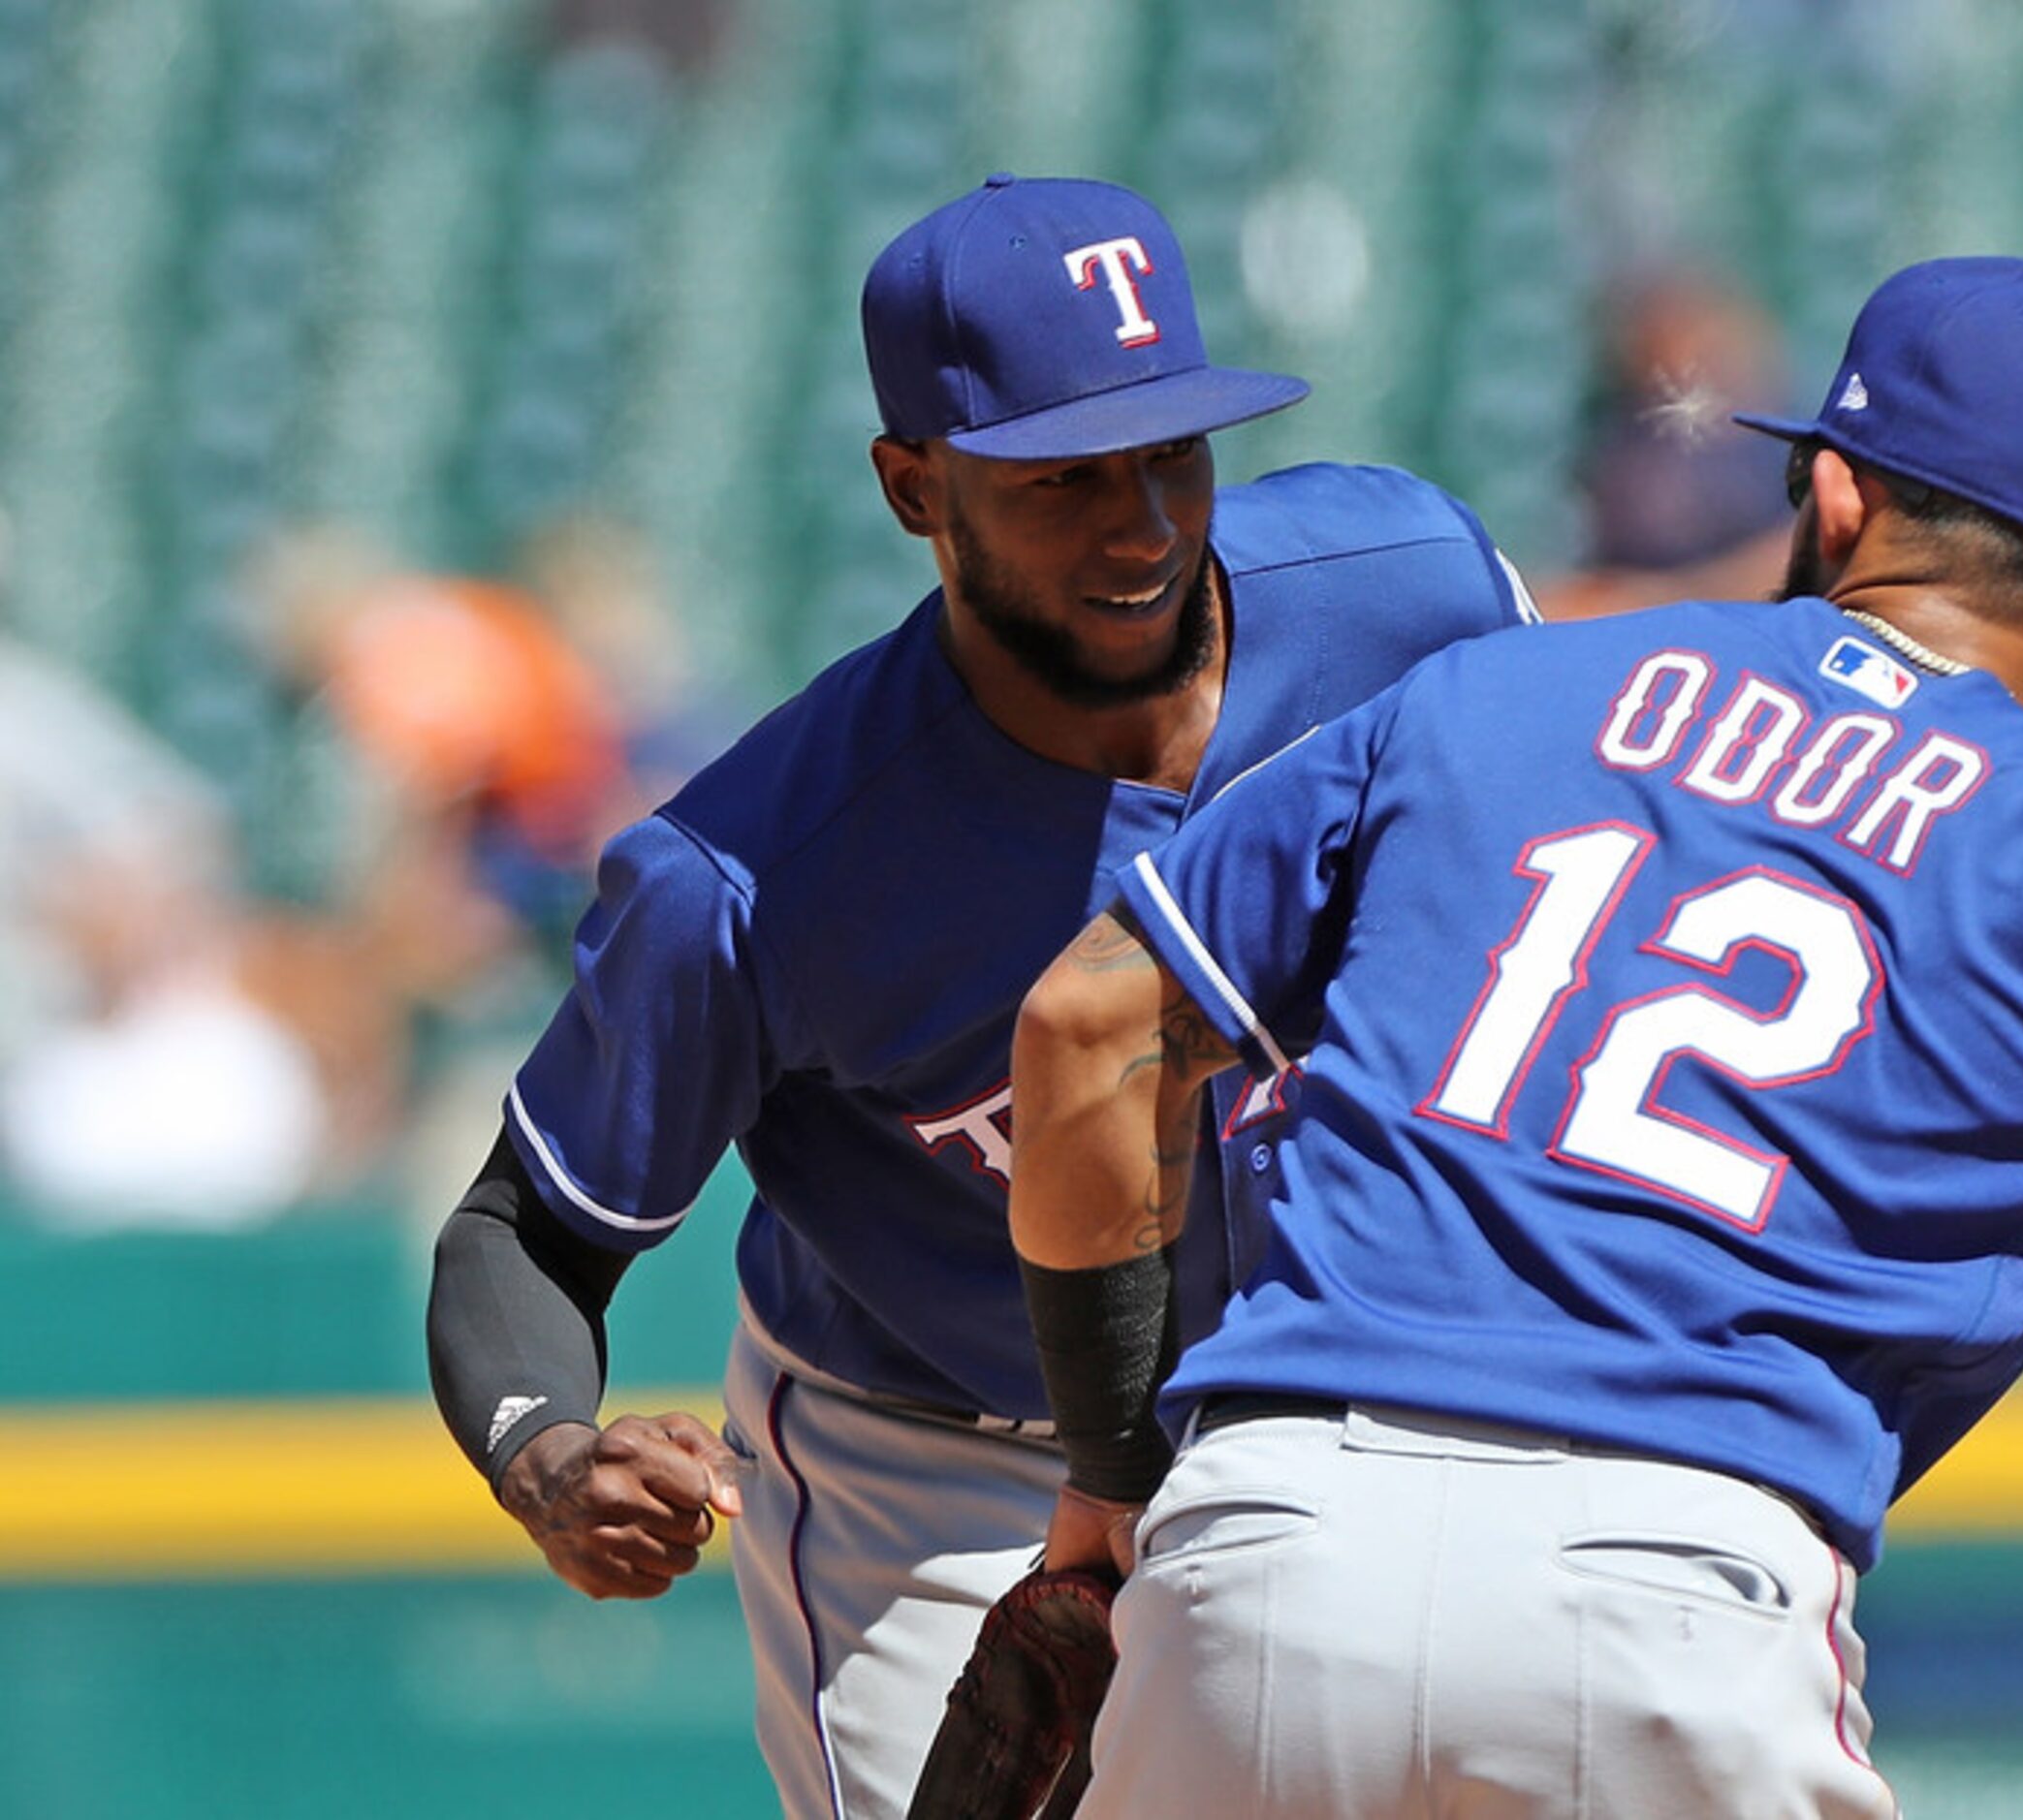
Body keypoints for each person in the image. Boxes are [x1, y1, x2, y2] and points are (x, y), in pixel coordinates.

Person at [999, 257, 2023, 1816]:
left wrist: (1112, 1468)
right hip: (1667, 1583)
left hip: (1278, 1542)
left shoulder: (1494, 693)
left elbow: (1086, 1026)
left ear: (1839, 494)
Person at [422, 173, 1537, 1820]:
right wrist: (546, 1454)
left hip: (1337, 1399)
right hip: (940, 1468)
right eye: (1064, 476)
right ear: (912, 488)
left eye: (1173, 450)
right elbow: (525, 1229)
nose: (1143, 523)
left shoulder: (1410, 591)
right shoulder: (754, 871)